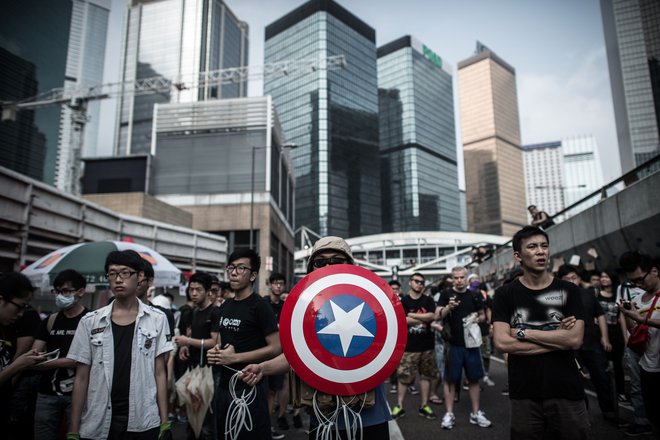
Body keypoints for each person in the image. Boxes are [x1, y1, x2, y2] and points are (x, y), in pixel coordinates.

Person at [239, 236, 392, 439]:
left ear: (350, 265)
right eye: (320, 262)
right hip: (324, 413)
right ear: (312, 268)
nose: (329, 265)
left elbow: (389, 345)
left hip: (368, 411)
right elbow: (296, 356)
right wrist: (262, 368)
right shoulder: (305, 307)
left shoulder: (370, 299)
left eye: (336, 260)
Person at [492, 226, 588, 440]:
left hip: (566, 390)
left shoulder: (568, 290)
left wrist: (523, 332)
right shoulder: (505, 294)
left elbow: (574, 340)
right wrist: (556, 337)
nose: (540, 251)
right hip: (524, 393)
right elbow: (502, 343)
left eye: (544, 246)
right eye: (532, 247)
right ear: (518, 256)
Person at [67, 250, 173, 440]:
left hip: (143, 418)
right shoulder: (90, 322)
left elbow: (160, 372)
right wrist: (73, 429)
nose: (118, 279)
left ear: (140, 276)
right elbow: (81, 377)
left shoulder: (157, 319)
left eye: (124, 273)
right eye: (112, 273)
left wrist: (164, 421)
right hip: (98, 418)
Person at [207, 249, 281, 440]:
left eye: (241, 268)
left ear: (253, 275)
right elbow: (227, 341)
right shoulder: (225, 306)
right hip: (224, 384)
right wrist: (216, 352)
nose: (233, 272)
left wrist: (234, 357)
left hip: (250, 385)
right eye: (231, 267)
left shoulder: (260, 305)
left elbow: (275, 347)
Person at [31, 270, 89, 440]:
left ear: (81, 291)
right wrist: (36, 357)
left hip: (80, 394)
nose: (60, 296)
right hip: (47, 393)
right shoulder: (51, 320)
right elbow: (35, 352)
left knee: (78, 435)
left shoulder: (90, 320)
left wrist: (51, 363)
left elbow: (87, 360)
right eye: (57, 291)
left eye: (66, 291)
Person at [557, 264, 617, 423]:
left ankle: (609, 412)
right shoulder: (557, 298)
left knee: (602, 379)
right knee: (576, 382)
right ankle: (583, 415)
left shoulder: (588, 294)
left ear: (579, 278)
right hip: (571, 346)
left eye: (574, 277)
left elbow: (601, 315)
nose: (572, 281)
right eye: (567, 279)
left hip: (593, 344)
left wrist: (605, 337)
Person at [437, 266, 491, 429]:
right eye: (456, 278)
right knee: (451, 380)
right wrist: (449, 307)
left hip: (472, 344)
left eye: (462, 277)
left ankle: (475, 413)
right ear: (452, 279)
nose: (459, 280)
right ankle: (449, 414)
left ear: (466, 278)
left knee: (474, 379)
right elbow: (437, 314)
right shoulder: (446, 294)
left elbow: (482, 315)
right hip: (453, 344)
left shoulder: (474, 294)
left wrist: (476, 318)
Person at [174, 271, 221, 440]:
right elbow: (192, 336)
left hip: (210, 370)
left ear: (208, 291)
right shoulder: (193, 312)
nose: (193, 293)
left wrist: (189, 341)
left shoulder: (215, 312)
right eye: (191, 289)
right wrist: (185, 346)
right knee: (193, 415)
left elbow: (215, 342)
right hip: (193, 368)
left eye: (198, 289)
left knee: (207, 419)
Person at [618, 251, 660, 437]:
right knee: (653, 413)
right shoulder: (638, 298)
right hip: (647, 364)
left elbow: (642, 323)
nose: (638, 285)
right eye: (633, 282)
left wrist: (641, 320)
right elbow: (634, 330)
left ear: (654, 271)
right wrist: (629, 316)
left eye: (640, 280)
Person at [0, 272, 45, 439]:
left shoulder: (7, 328)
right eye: (19, 306)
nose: (20, 314)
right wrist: (18, 365)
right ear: (1, 299)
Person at [391, 272, 438, 421]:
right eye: (416, 281)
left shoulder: (428, 300)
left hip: (427, 346)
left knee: (426, 377)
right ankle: (399, 406)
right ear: (410, 282)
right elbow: (402, 320)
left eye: (421, 282)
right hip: (409, 347)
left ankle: (424, 406)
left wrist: (413, 317)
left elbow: (432, 317)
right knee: (404, 378)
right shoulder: (403, 301)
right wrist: (421, 318)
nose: (419, 284)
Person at [267, 272, 300, 434]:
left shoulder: (287, 304)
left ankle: (280, 416)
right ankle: (267, 423)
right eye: (275, 283)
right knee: (270, 388)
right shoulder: (264, 304)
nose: (278, 286)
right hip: (267, 350)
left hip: (285, 349)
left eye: (281, 283)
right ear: (270, 285)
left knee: (286, 384)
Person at [596, 271, 627, 402]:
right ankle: (607, 394)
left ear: (612, 279)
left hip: (616, 334)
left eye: (606, 276)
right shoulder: (596, 294)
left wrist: (626, 337)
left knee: (618, 365)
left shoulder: (618, 295)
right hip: (601, 333)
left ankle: (620, 392)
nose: (603, 279)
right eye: (602, 276)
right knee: (604, 365)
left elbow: (622, 316)